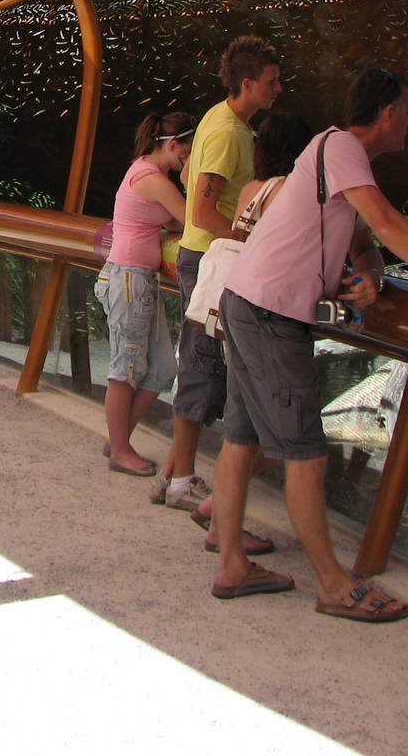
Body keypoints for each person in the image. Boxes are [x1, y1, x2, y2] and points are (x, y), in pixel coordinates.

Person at [208, 66, 408, 619]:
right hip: (270, 313)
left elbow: (366, 242)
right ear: (390, 113)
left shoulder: (334, 157)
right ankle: (333, 584)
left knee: (242, 438)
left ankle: (232, 564)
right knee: (305, 453)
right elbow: (390, 223)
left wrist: (370, 277)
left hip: (248, 301)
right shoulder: (342, 146)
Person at [151, 36, 282, 513]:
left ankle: (172, 473)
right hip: (212, 260)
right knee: (203, 367)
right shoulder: (229, 133)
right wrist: (252, 241)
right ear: (247, 83)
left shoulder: (218, 119)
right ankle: (183, 480)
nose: (278, 88)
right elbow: (204, 211)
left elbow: (192, 185)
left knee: (200, 362)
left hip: (201, 256)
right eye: (271, 81)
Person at [186, 112, 313, 552]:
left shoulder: (251, 191)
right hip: (266, 317)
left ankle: (219, 519)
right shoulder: (292, 194)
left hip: (233, 313)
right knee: (268, 433)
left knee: (242, 427)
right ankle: (219, 518)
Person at [95, 110, 194, 476]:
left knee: (163, 368)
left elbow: (173, 220)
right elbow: (194, 218)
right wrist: (189, 177)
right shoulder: (152, 178)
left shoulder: (144, 171)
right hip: (129, 280)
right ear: (174, 145)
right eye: (188, 152)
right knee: (125, 369)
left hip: (138, 280)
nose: (188, 158)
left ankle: (118, 439)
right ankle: (121, 450)